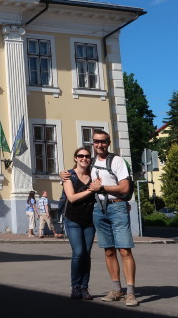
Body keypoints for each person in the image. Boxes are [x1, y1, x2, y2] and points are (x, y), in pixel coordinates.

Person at [87, 130, 138, 307]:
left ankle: (130, 293)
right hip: (98, 209)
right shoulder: (91, 162)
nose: (99, 145)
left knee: (124, 250)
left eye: (102, 142)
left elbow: (124, 188)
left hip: (117, 207)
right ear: (92, 143)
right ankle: (117, 289)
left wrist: (102, 188)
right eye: (96, 142)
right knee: (108, 251)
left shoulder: (117, 161)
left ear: (108, 143)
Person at [63, 147, 96, 300]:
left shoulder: (94, 175)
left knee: (86, 255)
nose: (84, 158)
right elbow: (72, 198)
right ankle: (75, 286)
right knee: (78, 253)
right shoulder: (69, 176)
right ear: (75, 158)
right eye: (81, 156)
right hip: (73, 219)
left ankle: (84, 287)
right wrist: (91, 190)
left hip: (89, 221)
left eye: (87, 156)